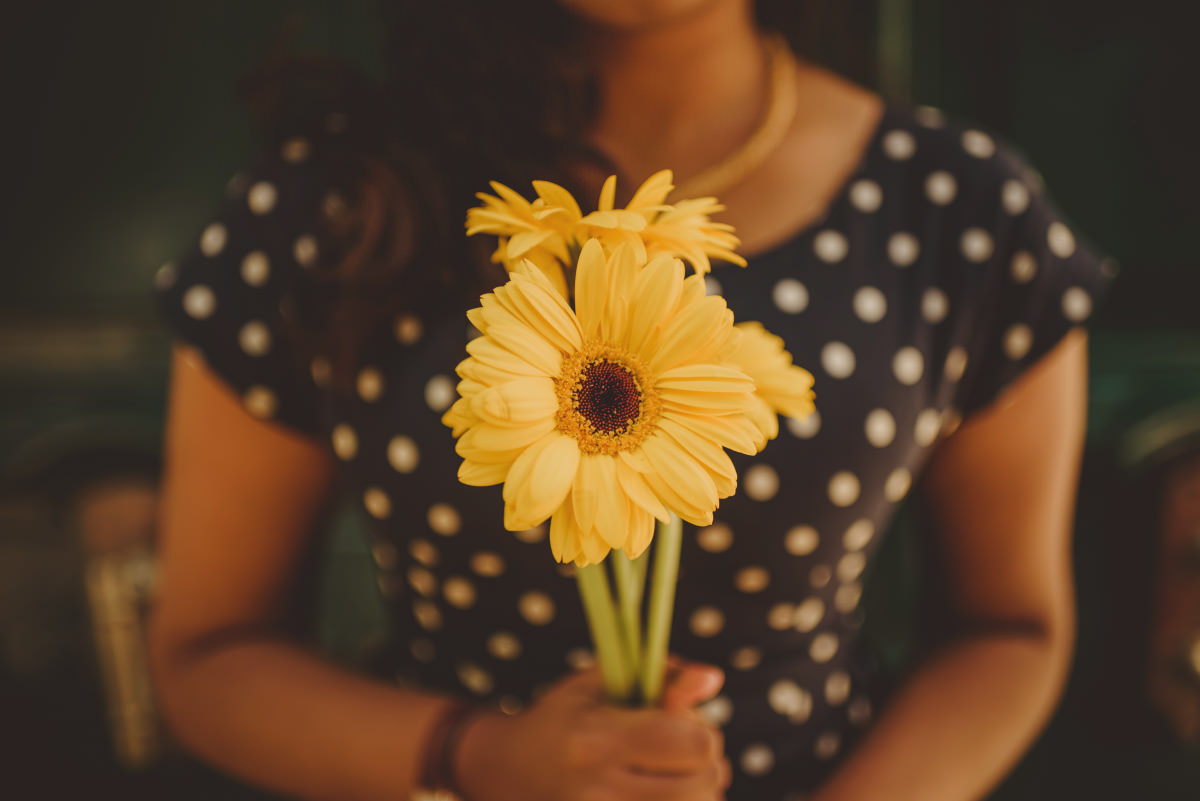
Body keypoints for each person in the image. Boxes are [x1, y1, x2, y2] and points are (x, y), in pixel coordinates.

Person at [149, 1, 1109, 800]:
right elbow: (208, 652)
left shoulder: (962, 215)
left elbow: (1008, 629)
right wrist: (478, 755)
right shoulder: (329, 205)